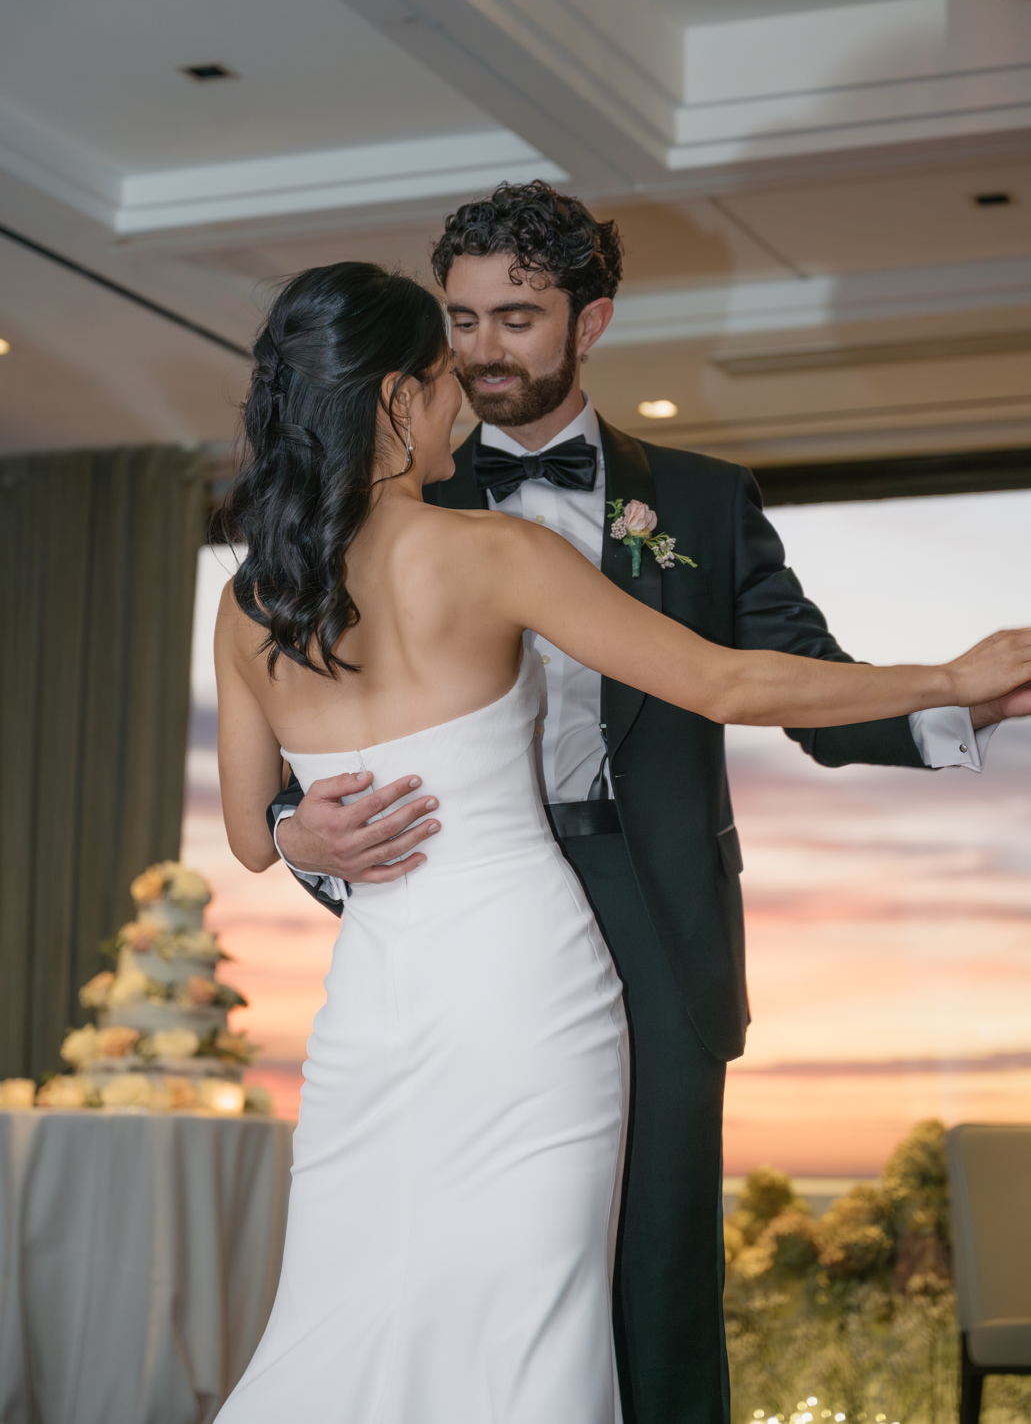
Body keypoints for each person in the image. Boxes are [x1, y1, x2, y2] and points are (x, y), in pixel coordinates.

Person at [219, 257, 1031, 1424]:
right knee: (533, 1306)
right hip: (524, 977)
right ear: (395, 399)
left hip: (372, 1002)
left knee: (352, 1293)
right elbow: (723, 680)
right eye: (446, 373)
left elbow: (253, 832)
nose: (465, 394)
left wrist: (304, 822)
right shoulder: (491, 553)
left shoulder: (247, 600)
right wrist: (950, 672)